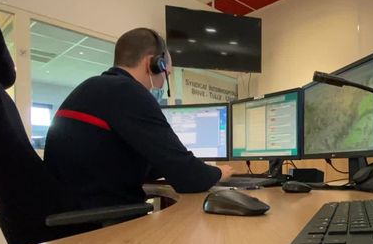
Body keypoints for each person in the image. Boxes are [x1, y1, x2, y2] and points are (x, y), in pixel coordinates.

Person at [44, 28, 233, 208]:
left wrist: (174, 164)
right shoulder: (128, 92)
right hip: (96, 222)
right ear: (152, 63)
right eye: (166, 74)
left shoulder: (93, 87)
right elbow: (190, 179)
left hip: (72, 210)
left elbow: (115, 159)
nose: (161, 84)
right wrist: (218, 173)